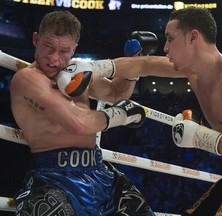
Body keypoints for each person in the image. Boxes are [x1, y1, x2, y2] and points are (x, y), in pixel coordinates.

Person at [113, 7, 222, 216]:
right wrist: (95, 69)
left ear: (193, 37)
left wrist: (198, 137)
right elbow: (144, 64)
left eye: (170, 39)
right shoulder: (194, 72)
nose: (166, 47)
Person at [10, 10, 181, 216]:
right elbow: (78, 124)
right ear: (36, 39)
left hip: (100, 173)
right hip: (53, 178)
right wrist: (121, 115)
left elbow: (117, 93)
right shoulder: (28, 79)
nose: (54, 58)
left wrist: (134, 64)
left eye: (64, 51)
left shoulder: (76, 71)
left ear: (74, 49)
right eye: (48, 46)